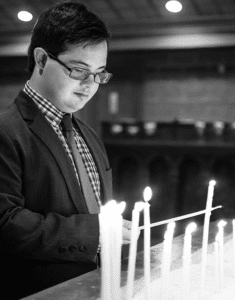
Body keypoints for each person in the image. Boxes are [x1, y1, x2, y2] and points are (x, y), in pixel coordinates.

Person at [0, 2, 132, 299]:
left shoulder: (89, 136)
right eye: (78, 70)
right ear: (42, 60)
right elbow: (5, 224)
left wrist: (112, 228)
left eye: (99, 74)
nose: (90, 85)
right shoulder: (6, 131)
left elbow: (94, 209)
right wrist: (94, 232)